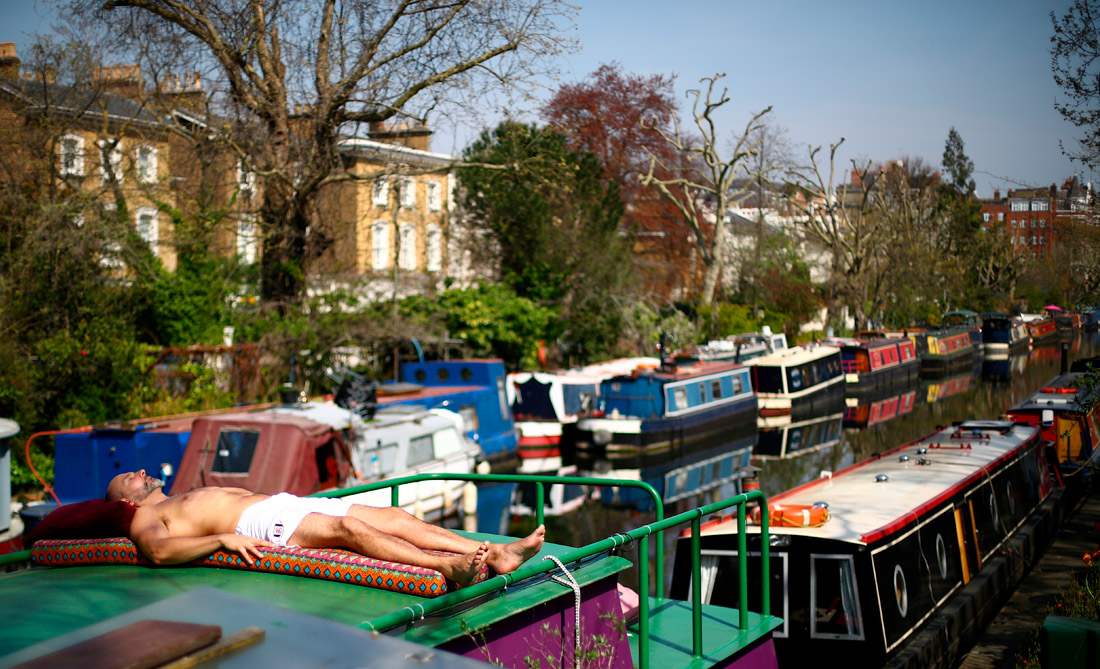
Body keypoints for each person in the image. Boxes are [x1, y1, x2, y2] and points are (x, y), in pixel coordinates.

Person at [105, 469, 544, 586]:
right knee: (349, 529)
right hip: (257, 523)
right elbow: (159, 553)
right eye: (130, 477)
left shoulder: (173, 496)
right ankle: (445, 567)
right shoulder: (144, 517)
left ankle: (495, 551)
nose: (141, 472)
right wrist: (221, 538)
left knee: (392, 516)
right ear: (126, 500)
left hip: (280, 504)